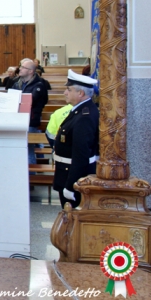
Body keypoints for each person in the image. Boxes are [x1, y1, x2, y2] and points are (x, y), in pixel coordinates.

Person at [53, 70, 99, 208]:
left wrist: (71, 185)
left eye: (69, 89)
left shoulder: (85, 116)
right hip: (66, 172)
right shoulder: (80, 111)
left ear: (81, 93)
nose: (65, 93)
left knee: (73, 219)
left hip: (74, 176)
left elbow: (81, 155)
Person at [12, 58, 49, 164]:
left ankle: (31, 176)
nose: (20, 69)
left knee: (28, 149)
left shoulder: (39, 85)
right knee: (17, 148)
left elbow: (30, 100)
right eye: (21, 66)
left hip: (30, 120)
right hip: (16, 119)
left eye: (23, 67)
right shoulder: (17, 83)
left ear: (30, 71)